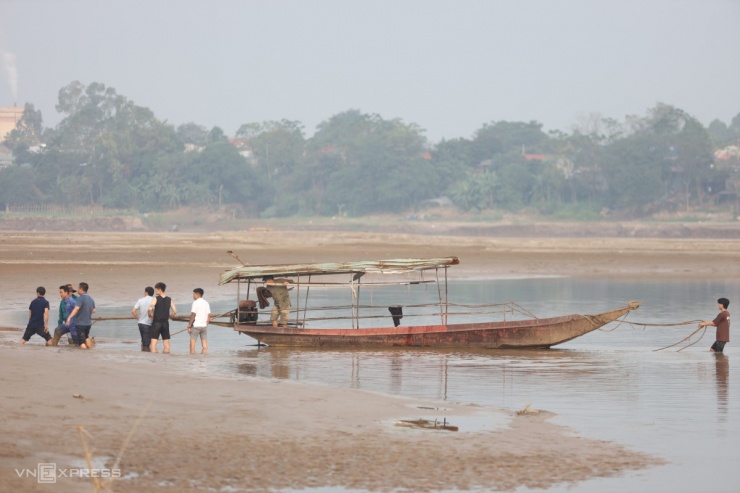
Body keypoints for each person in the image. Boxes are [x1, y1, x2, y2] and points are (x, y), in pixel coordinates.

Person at [148, 282, 177, 353]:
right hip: (165, 323)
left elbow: (150, 309)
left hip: (157, 323)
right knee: (166, 344)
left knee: (153, 344)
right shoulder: (169, 299)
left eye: (156, 290)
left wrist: (150, 315)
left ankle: (154, 357)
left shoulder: (156, 298)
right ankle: (166, 356)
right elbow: (175, 311)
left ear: (160, 289)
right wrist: (171, 316)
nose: (156, 291)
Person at [66, 282, 96, 349]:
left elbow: (76, 309)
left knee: (81, 342)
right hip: (88, 323)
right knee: (86, 337)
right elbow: (94, 310)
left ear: (81, 289)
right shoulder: (90, 298)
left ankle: (84, 355)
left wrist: (69, 317)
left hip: (80, 324)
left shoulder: (81, 298)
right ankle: (90, 350)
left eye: (78, 288)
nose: (77, 290)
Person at [187, 288, 211, 354]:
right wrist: (206, 324)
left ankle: (192, 358)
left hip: (196, 326)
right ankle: (204, 357)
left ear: (197, 294)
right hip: (204, 326)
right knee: (205, 345)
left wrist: (189, 325)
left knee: (192, 345)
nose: (193, 296)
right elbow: (208, 315)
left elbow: (193, 315)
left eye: (193, 294)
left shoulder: (195, 303)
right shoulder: (206, 303)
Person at [132, 286, 154, 352]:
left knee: (143, 341)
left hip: (140, 323)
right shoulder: (154, 300)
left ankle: (143, 353)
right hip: (148, 324)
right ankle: (146, 355)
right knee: (147, 343)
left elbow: (133, 311)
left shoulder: (140, 300)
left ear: (146, 292)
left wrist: (138, 318)